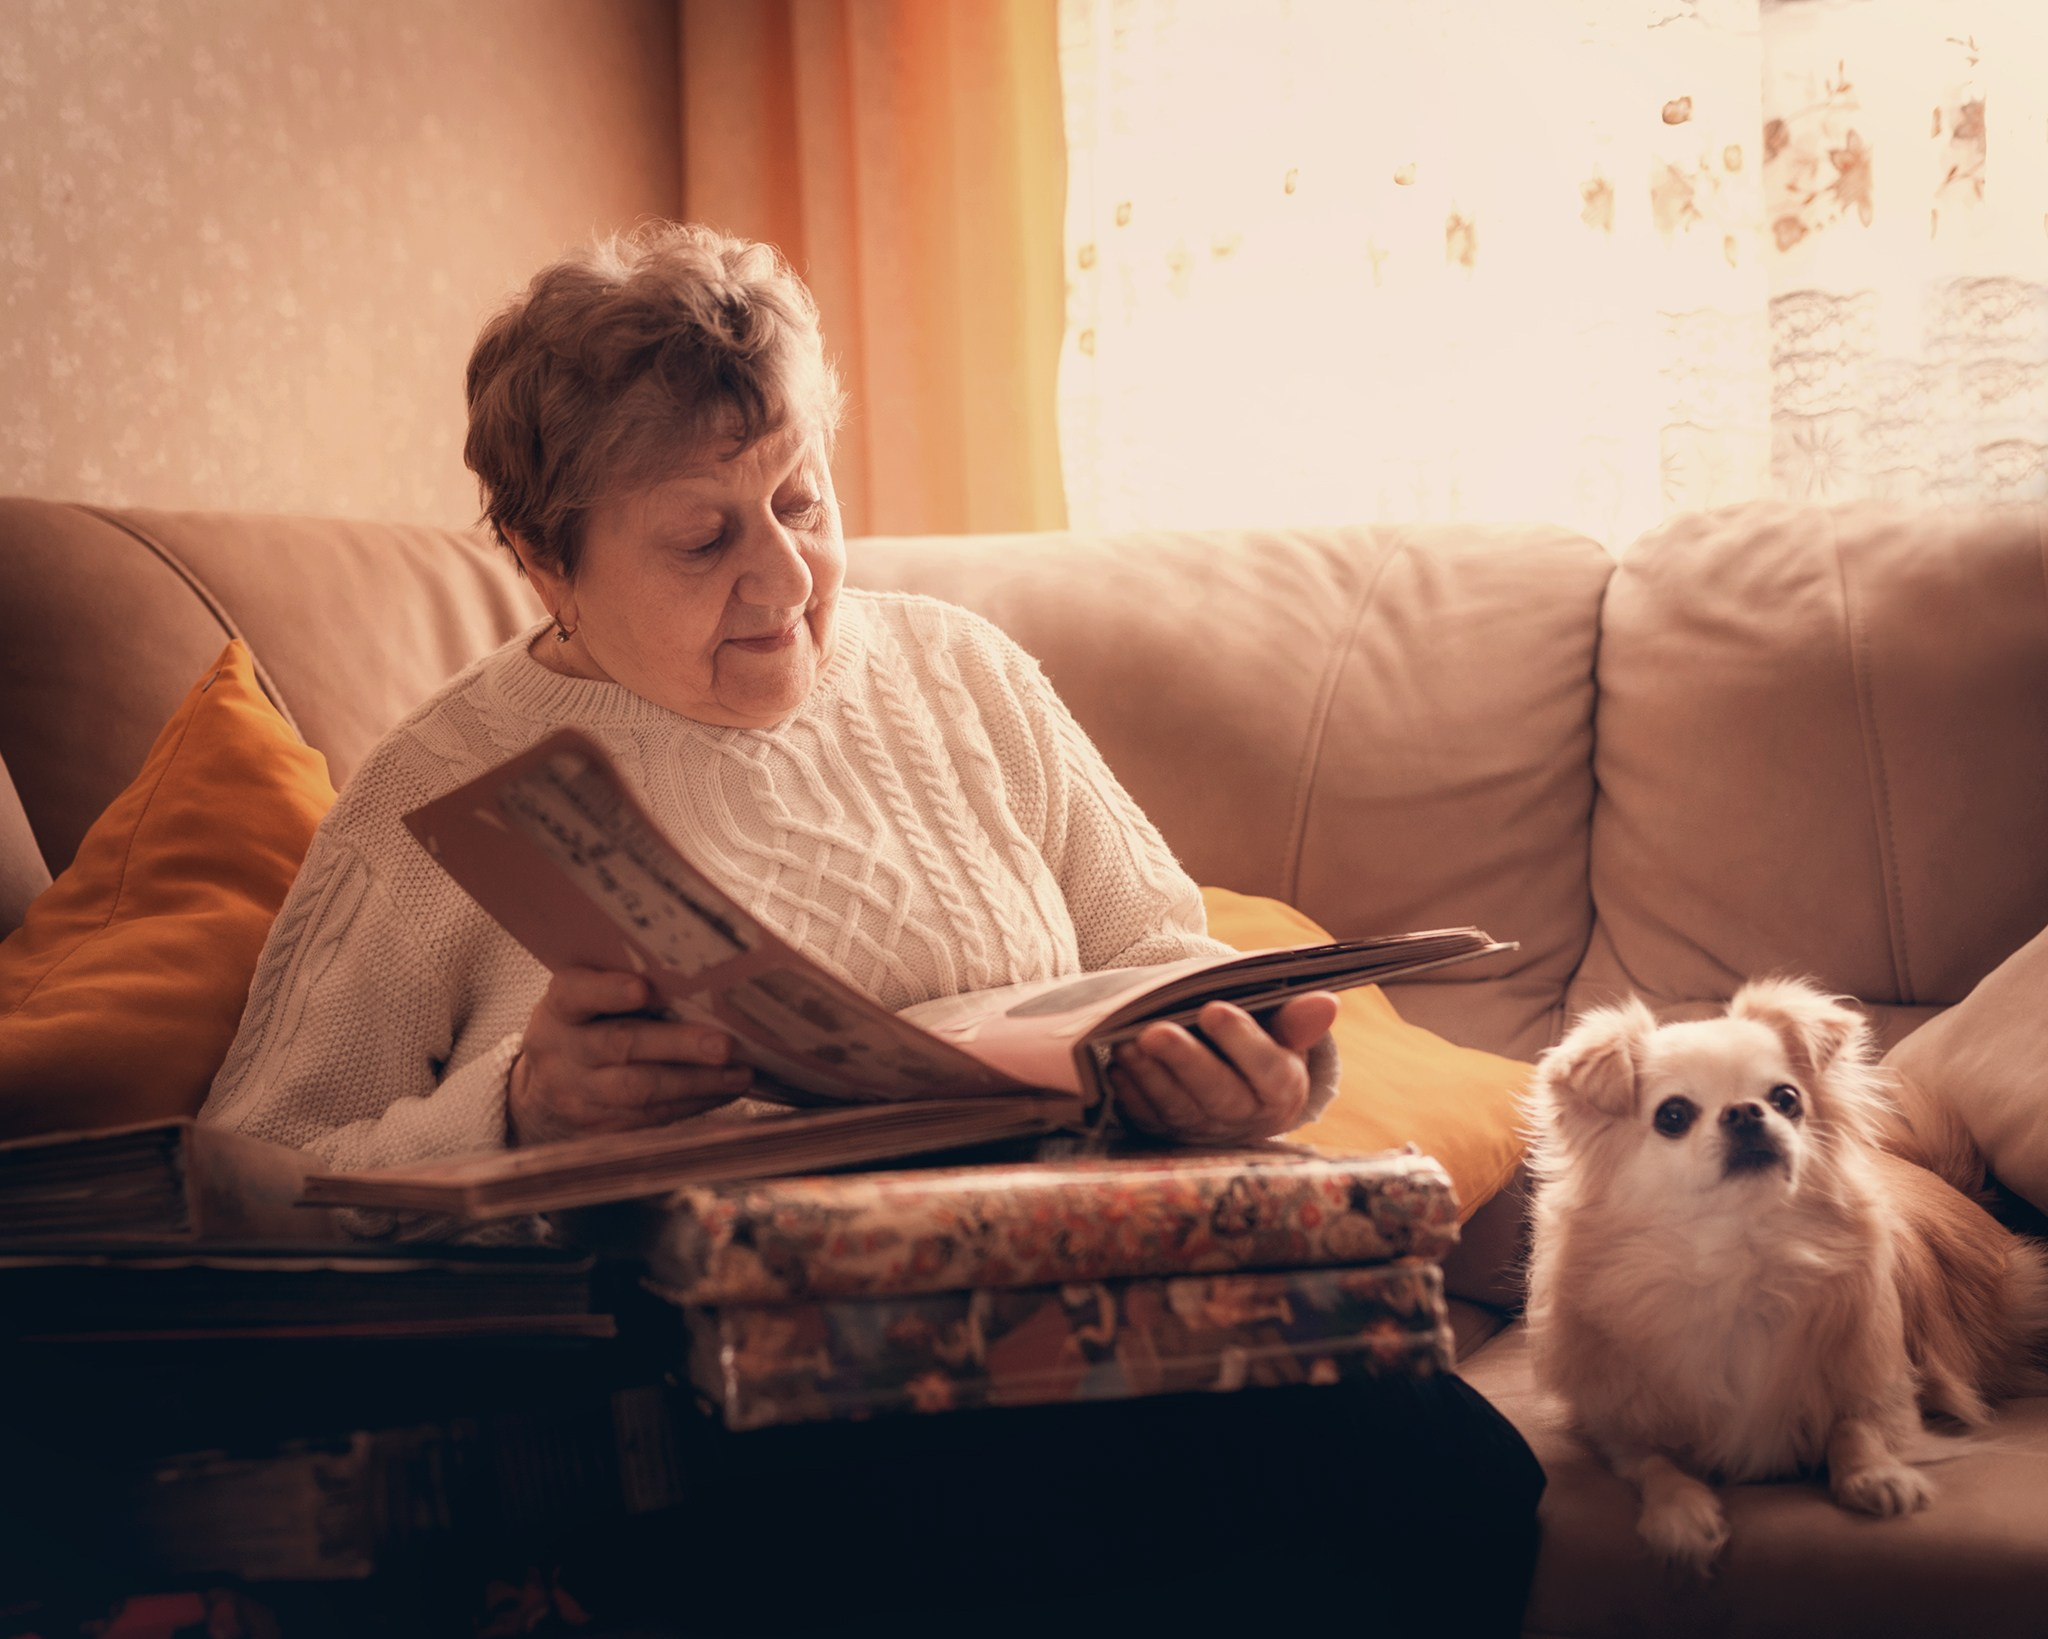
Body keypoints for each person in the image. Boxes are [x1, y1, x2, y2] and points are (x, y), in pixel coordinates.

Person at [201, 222, 1342, 1174]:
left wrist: (1245, 1079)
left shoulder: (967, 672)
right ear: (544, 561)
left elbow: (1163, 960)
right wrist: (515, 1115)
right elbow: (245, 1167)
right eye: (703, 538)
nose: (787, 580)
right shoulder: (445, 786)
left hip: (1079, 1263)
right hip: (729, 1366)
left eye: (799, 502)